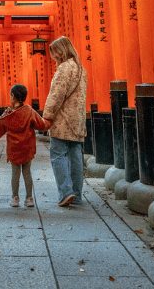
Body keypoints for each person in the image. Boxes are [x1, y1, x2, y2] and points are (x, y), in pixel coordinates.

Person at [0, 84, 51, 207]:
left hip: (14, 150)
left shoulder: (7, 116)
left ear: (13, 96)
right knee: (27, 172)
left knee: (15, 174)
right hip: (27, 148)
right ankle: (29, 199)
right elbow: (42, 125)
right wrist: (51, 120)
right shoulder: (29, 111)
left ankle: (15, 198)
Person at [42, 36, 88, 207]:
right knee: (75, 156)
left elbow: (57, 94)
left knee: (58, 154)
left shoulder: (64, 68)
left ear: (60, 51)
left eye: (54, 53)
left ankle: (65, 192)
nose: (54, 57)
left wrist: (47, 115)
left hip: (62, 119)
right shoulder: (81, 69)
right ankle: (77, 194)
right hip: (78, 120)